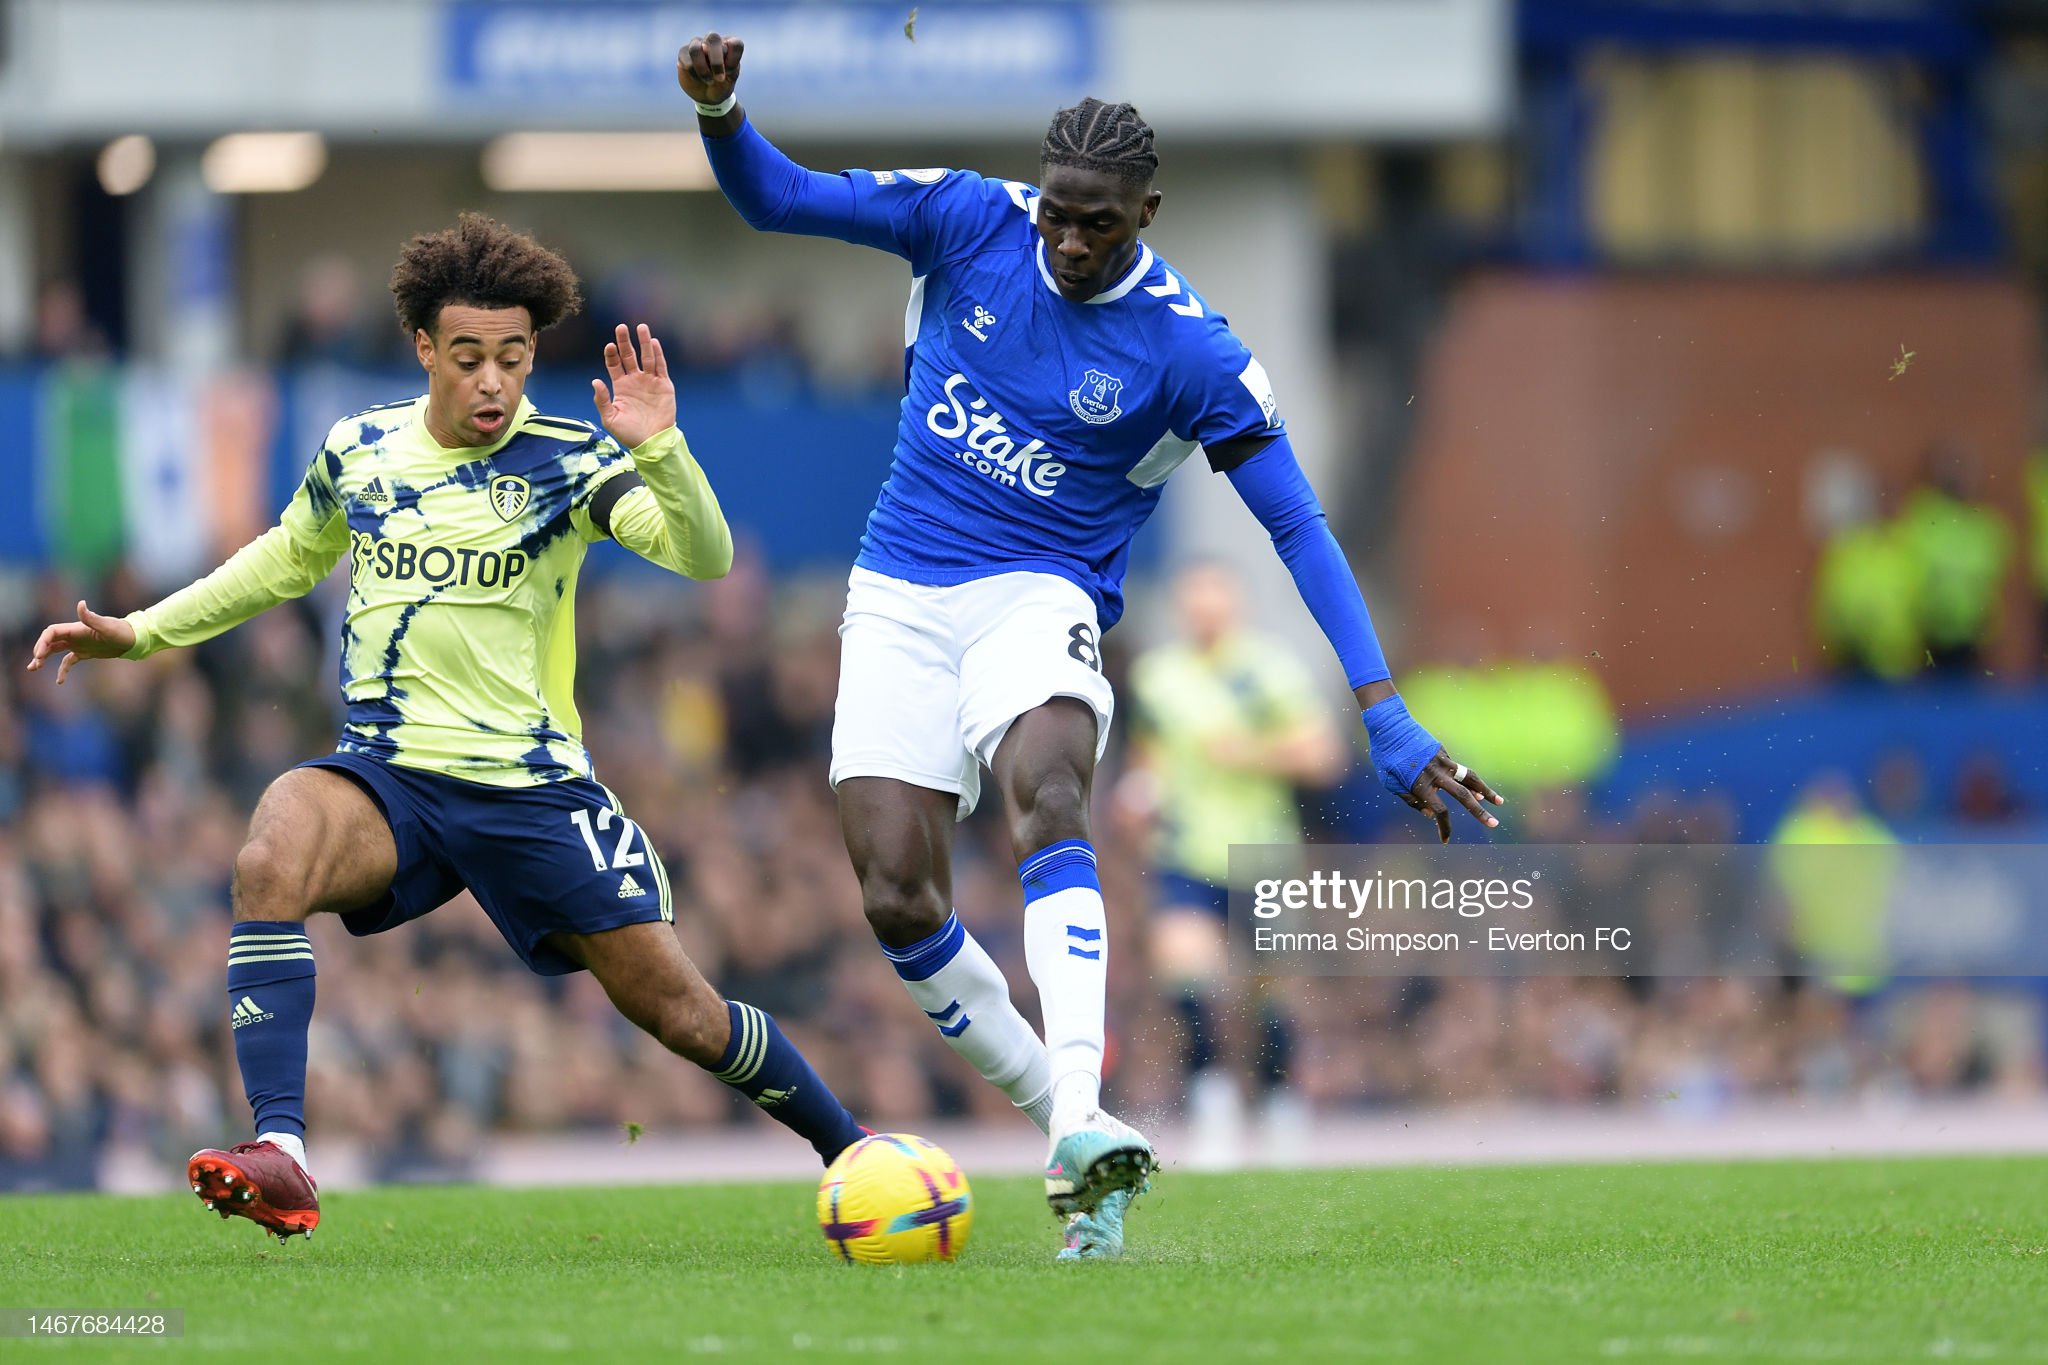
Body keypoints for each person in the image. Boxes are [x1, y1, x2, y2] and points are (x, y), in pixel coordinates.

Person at [677, 33, 1501, 1261]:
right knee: (897, 892)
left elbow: (1298, 527)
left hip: (1039, 592)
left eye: (1098, 227)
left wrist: (1379, 705)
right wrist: (723, 110)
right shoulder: (967, 220)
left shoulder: (1188, 352)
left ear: (1146, 215)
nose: (1069, 242)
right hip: (896, 587)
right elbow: (777, 195)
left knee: (1044, 795)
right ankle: (1075, 1123)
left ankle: (1079, 1117)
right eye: (1059, 216)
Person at [25, 214, 867, 1241]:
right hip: (391, 778)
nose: (492, 384)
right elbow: (285, 560)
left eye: (512, 359)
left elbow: (705, 558)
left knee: (681, 1014)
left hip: (532, 792)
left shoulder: (569, 463)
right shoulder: (360, 452)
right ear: (425, 348)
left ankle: (853, 1150)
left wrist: (664, 452)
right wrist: (144, 632)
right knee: (271, 847)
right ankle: (283, 1151)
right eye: (468, 358)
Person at [1122, 562, 1345, 1169]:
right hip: (1186, 852)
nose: (1204, 612)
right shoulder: (1158, 676)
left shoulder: (1267, 670)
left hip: (1262, 852)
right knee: (1186, 971)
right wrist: (1139, 793)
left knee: (1271, 994)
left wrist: (1248, 751)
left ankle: (1280, 1103)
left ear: (1234, 604)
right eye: (1193, 601)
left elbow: (1324, 755)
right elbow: (1152, 755)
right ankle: (1212, 1101)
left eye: (1214, 599)